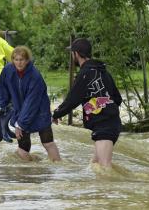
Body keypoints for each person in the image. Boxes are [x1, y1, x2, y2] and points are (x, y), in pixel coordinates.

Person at [52, 38, 122, 167]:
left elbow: (72, 100)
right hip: (111, 123)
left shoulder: (84, 74)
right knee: (95, 165)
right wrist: (102, 105)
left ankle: (113, 187)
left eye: (72, 53)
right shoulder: (104, 71)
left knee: (105, 167)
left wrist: (56, 114)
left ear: (76, 54)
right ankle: (103, 188)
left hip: (103, 125)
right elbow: (117, 99)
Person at [0, 46, 61, 161]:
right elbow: (3, 89)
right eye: (16, 59)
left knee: (48, 143)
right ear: (12, 60)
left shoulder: (35, 76)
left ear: (27, 60)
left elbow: (31, 102)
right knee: (23, 149)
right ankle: (30, 173)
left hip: (40, 111)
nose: (19, 63)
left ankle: (58, 168)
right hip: (21, 112)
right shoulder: (7, 70)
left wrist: (20, 124)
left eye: (22, 60)